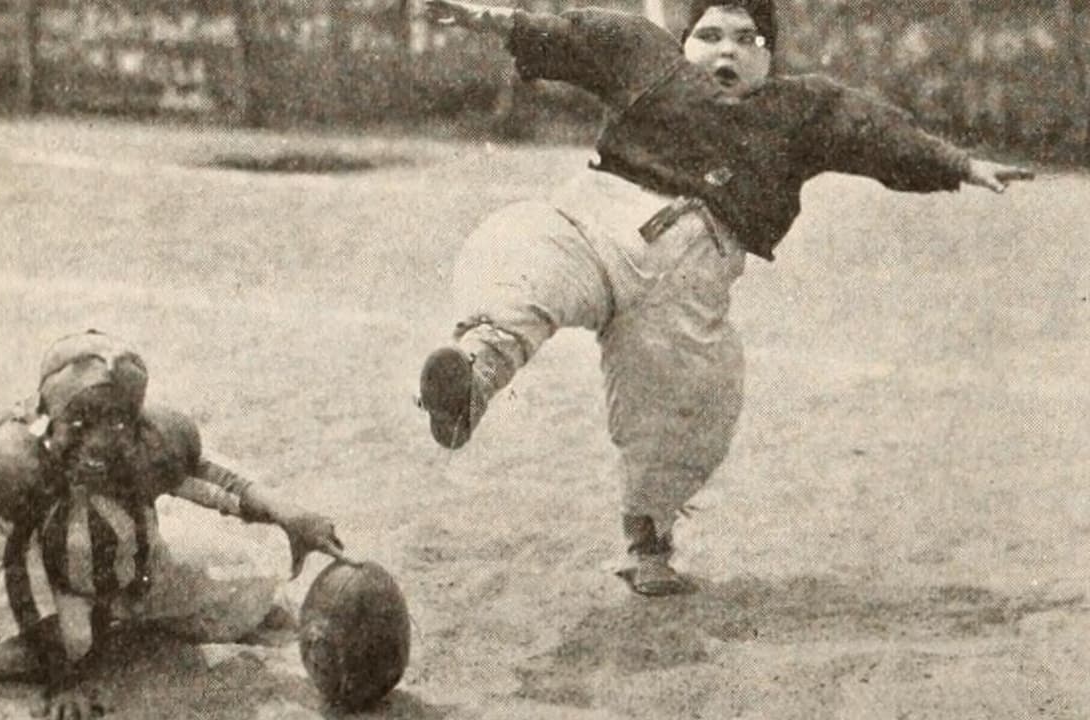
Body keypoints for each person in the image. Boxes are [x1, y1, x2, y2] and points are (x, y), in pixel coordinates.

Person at [417, 0, 1032, 595]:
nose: (727, 50)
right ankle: (470, 382)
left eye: (746, 39)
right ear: (686, 43)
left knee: (691, 406)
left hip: (690, 281)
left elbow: (875, 132)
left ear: (771, 58)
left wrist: (956, 163)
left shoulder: (800, 109)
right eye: (711, 35)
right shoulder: (648, 60)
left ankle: (648, 543)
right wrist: (493, 18)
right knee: (522, 252)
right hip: (595, 225)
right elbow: (573, 37)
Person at [0, 330, 349, 720]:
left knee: (253, 587)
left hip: (144, 575)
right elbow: (12, 571)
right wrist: (64, 679)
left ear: (135, 422)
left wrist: (289, 514)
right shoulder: (17, 470)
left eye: (115, 423)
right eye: (80, 422)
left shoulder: (144, 446)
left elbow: (209, 478)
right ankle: (92, 629)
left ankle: (120, 619)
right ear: (47, 419)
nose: (97, 441)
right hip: (64, 593)